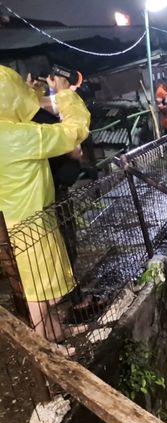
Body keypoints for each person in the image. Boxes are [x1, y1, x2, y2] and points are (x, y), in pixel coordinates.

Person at [0, 66, 90, 346]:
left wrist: (36, 92)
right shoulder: (17, 136)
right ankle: (46, 349)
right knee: (37, 291)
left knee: (40, 283)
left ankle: (54, 332)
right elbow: (73, 132)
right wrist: (64, 94)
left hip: (15, 220)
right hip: (28, 222)